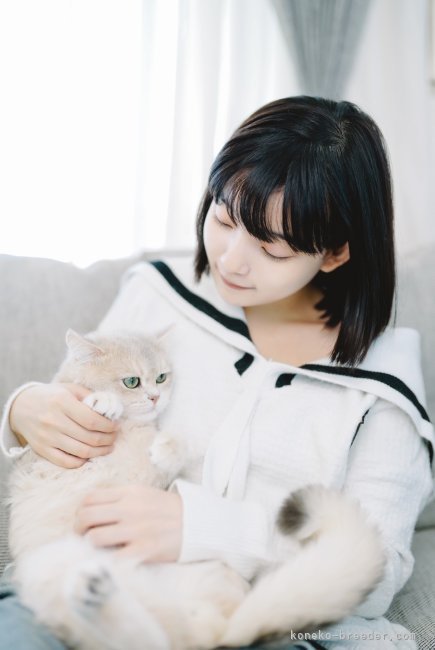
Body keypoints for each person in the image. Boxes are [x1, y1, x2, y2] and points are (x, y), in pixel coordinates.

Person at [0, 96, 433, 650]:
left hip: (269, 626)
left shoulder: (383, 380)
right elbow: (77, 401)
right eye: (224, 219)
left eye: (271, 249)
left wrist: (205, 529)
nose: (230, 259)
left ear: (334, 253)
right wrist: (26, 410)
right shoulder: (160, 295)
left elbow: (377, 573)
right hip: (90, 586)